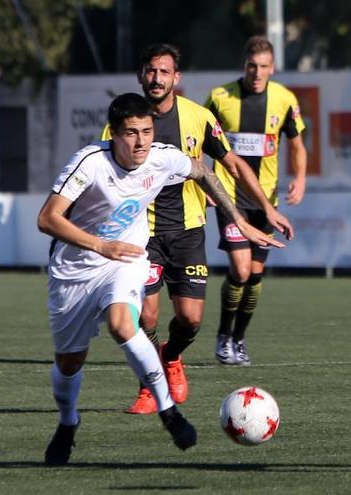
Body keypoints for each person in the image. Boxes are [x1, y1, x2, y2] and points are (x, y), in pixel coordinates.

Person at [39, 92, 282, 465]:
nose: (141, 141)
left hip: (127, 259)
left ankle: (168, 410)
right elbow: (48, 218)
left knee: (124, 324)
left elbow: (202, 170)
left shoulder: (162, 157)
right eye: (131, 133)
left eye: (147, 131)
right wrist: (100, 245)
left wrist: (240, 221)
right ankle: (68, 422)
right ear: (114, 134)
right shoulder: (90, 162)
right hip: (74, 269)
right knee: (69, 363)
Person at [102, 44, 294, 415]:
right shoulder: (123, 121)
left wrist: (265, 209)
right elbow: (104, 173)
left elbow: (232, 163)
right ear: (142, 75)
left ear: (177, 78)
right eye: (151, 71)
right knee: (147, 317)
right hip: (142, 235)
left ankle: (171, 357)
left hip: (189, 231)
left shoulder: (198, 117)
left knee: (190, 320)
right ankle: (149, 385)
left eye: (164, 72)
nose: (157, 79)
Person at [206, 35, 308, 366]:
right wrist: (205, 181)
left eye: (264, 67)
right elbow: (200, 141)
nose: (257, 73)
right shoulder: (220, 98)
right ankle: (223, 336)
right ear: (244, 65)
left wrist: (300, 178)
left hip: (267, 199)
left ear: (272, 67)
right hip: (230, 196)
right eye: (252, 66)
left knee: (256, 274)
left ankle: (239, 338)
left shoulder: (283, 99)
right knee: (240, 268)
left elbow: (296, 144)